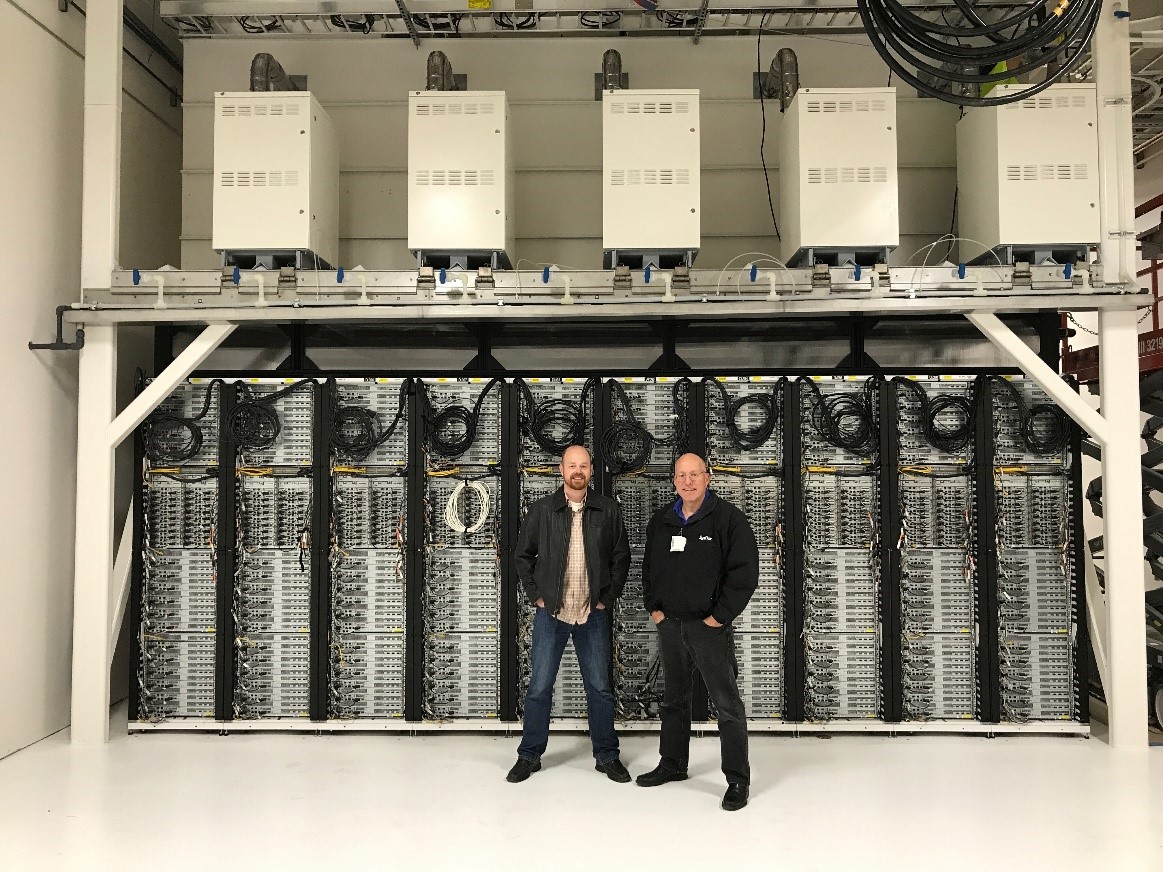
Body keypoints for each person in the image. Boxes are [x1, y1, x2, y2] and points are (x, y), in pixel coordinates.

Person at [636, 452, 759, 811]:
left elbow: (744, 574)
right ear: (674, 481)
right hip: (670, 625)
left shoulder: (728, 520)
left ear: (708, 477)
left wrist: (718, 618)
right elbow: (649, 566)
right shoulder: (662, 520)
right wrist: (654, 608)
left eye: (695, 475)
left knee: (726, 703)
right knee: (674, 699)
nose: (687, 482)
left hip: (708, 627)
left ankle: (737, 779)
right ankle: (672, 764)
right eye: (681, 476)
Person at [506, 444, 632, 783]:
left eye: (584, 465)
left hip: (593, 613)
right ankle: (529, 755)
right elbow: (522, 557)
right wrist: (537, 595)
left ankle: (607, 755)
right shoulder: (542, 510)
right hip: (553, 614)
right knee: (539, 687)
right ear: (561, 470)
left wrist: (606, 598)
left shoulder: (608, 511)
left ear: (591, 470)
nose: (578, 471)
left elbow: (622, 558)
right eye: (571, 465)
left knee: (600, 688)